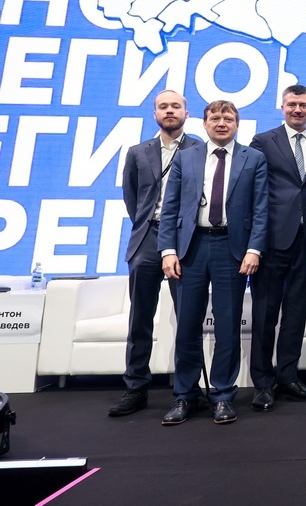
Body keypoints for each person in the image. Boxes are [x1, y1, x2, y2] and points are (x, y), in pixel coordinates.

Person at [158, 100, 268, 426]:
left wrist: (254, 249)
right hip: (190, 249)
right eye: (215, 118)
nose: (221, 123)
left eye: (228, 118)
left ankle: (222, 396)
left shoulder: (254, 158)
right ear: (204, 123)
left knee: (228, 326)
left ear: (237, 124)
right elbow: (170, 207)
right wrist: (167, 250)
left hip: (231, 250)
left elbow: (261, 209)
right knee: (187, 326)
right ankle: (184, 396)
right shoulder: (186, 157)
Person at [108, 90, 199, 417]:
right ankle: (136, 388)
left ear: (186, 113)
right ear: (155, 113)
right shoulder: (137, 152)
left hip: (187, 239)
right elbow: (132, 198)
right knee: (140, 318)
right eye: (163, 106)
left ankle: (188, 391)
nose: (169, 111)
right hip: (147, 238)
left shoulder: (200, 150)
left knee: (188, 318)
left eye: (175, 106)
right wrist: (149, 224)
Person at [247, 85, 306, 412]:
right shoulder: (263, 142)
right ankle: (262, 383)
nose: (297, 109)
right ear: (282, 107)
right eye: (292, 104)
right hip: (270, 240)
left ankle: (289, 377)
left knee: (296, 313)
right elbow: (252, 191)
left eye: (303, 105)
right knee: (265, 314)